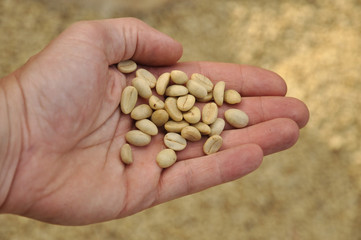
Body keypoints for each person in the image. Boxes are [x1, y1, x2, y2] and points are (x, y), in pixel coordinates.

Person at [0, 18, 309, 225]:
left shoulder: (169, 106)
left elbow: (176, 117)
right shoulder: (153, 105)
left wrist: (18, 125)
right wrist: (19, 119)